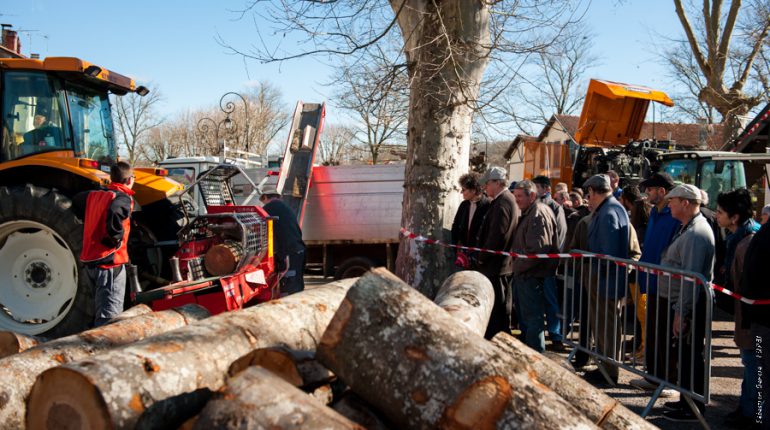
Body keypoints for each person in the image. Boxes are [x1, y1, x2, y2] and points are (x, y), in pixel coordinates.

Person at [658, 184, 715, 422]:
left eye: (672, 200)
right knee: (685, 355)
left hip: (691, 304)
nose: (668, 204)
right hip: (684, 302)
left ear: (685, 203)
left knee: (691, 355)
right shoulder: (688, 228)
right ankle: (686, 402)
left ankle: (693, 407)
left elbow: (691, 278)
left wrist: (682, 313)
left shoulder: (696, 233)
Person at [630, 172, 682, 393]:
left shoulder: (674, 216)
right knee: (652, 332)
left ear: (662, 191)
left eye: (650, 190)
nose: (647, 194)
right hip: (650, 282)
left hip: (666, 285)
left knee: (665, 336)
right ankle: (652, 376)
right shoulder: (654, 214)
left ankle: (667, 381)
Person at [715, 189, 760, 428]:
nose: (716, 215)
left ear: (734, 218)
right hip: (746, 313)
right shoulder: (736, 238)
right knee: (748, 361)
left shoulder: (749, 241)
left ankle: (753, 413)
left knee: (753, 362)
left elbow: (749, 283)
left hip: (753, 316)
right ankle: (746, 406)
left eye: (720, 212)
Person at [72, 162, 135, 327]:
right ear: (129, 180)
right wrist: (115, 237)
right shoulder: (122, 197)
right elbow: (115, 212)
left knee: (97, 311)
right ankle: (106, 351)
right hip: (110, 263)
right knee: (109, 320)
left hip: (90, 262)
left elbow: (76, 200)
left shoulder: (94, 195)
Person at [583, 174, 630, 385]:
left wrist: (599, 271)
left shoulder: (609, 212)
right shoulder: (610, 209)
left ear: (593, 191)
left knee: (607, 326)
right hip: (604, 278)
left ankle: (609, 371)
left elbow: (609, 254)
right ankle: (604, 366)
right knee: (602, 325)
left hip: (605, 280)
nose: (588, 198)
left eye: (589, 194)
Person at [511, 180, 560, 353]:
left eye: (519, 196)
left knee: (533, 321)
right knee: (529, 320)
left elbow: (537, 250)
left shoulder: (538, 213)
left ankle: (535, 358)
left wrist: (518, 266)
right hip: (527, 275)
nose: (516, 200)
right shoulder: (531, 212)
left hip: (531, 276)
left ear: (531, 196)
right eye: (515, 196)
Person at [475, 166, 520, 339]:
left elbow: (497, 236)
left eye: (487, 183)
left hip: (496, 266)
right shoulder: (504, 200)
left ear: (497, 182)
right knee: (500, 309)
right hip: (499, 265)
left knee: (498, 312)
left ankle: (498, 341)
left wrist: (481, 257)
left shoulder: (503, 202)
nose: (485, 187)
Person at [532, 175, 568, 351]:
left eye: (537, 187)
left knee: (550, 301)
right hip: (534, 263)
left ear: (546, 189)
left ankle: (555, 335)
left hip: (548, 263)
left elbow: (560, 234)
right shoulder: (532, 205)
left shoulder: (555, 207)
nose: (534, 190)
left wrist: (553, 258)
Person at [740, 221, 770, 427]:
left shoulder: (764, 233)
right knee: (762, 376)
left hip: (762, 319)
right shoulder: (765, 234)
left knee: (763, 376)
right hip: (762, 320)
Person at [259, 186, 306, 296]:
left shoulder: (269, 208)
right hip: (299, 250)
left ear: (265, 197)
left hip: (290, 253)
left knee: (289, 292)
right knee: (297, 287)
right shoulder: (285, 207)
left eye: (263, 200)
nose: (263, 204)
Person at [451, 173, 490, 269]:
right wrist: (456, 248)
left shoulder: (488, 205)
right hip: (463, 256)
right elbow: (456, 226)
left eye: (464, 190)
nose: (461, 192)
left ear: (473, 190)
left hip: (480, 259)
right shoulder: (464, 205)